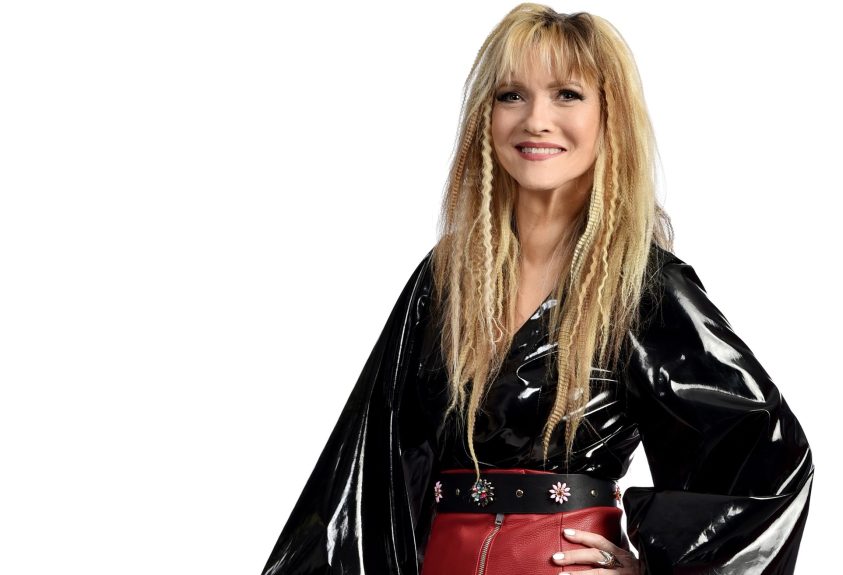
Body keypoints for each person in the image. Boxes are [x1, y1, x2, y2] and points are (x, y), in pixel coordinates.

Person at [260, 3, 814, 574]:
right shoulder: (445, 278)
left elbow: (767, 458)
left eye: (567, 95)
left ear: (609, 116)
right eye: (511, 96)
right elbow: (365, 471)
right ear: (487, 116)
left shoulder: (643, 288)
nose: (536, 120)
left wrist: (651, 570)